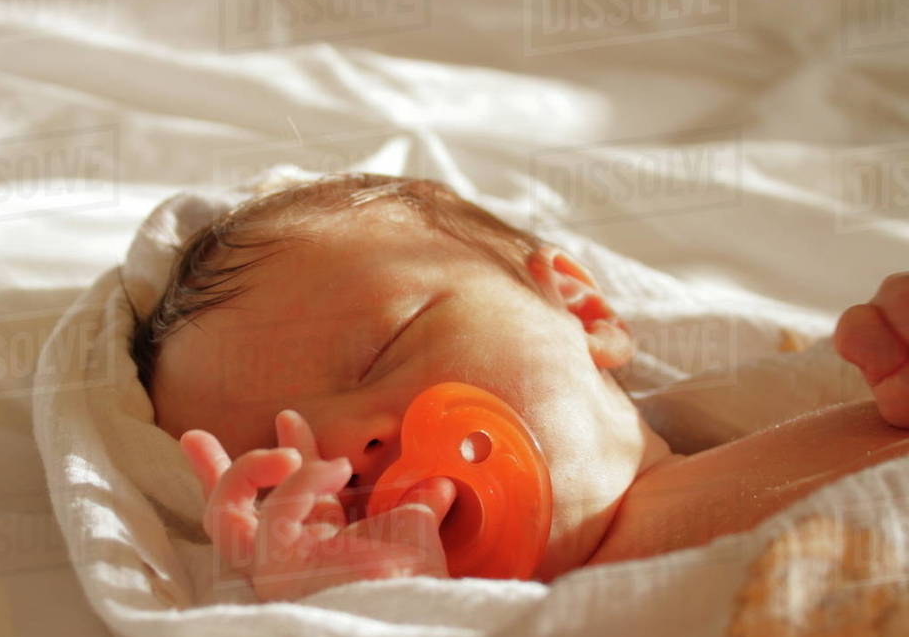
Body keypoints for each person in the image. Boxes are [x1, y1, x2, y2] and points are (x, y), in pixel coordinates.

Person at [128, 173, 909, 602]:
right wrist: (373, 617)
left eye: (381, 355)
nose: (340, 454)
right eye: (278, 470)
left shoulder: (841, 412)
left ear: (583, 310)